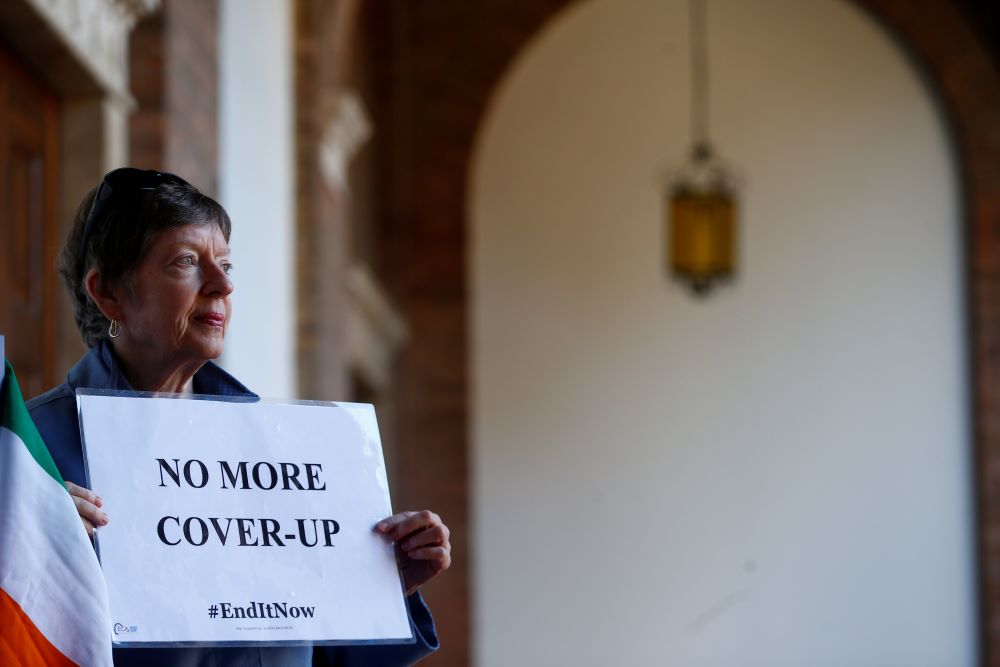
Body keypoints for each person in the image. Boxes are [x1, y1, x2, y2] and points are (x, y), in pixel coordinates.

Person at [27, 168, 451, 666]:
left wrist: (381, 589)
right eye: (186, 261)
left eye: (226, 264)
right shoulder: (28, 451)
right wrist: (23, 553)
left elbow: (320, 653)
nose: (223, 284)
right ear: (108, 293)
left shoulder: (279, 447)